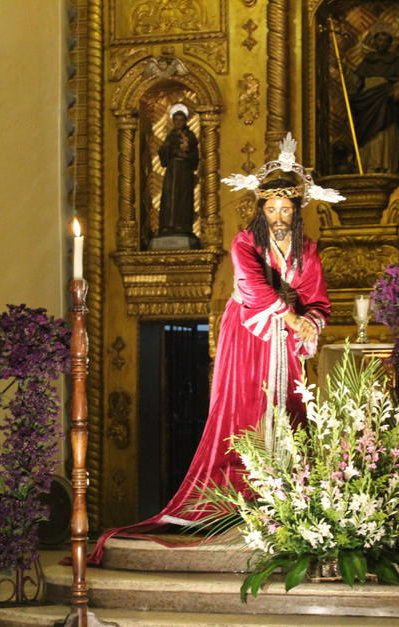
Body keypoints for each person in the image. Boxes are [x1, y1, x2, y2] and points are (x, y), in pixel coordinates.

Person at [88, 137, 339, 565]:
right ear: (260, 210)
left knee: (292, 408)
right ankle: (239, 499)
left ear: (297, 212)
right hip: (249, 334)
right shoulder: (245, 242)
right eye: (271, 209)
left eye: (286, 210)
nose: (278, 217)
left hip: (287, 344)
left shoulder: (308, 250)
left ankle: (286, 499)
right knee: (247, 405)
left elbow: (316, 298)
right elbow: (251, 287)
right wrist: (289, 314)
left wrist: (308, 321)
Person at [348, 28, 399, 174]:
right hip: (367, 104)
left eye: (385, 41)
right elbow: (357, 82)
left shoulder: (395, 62)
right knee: (368, 136)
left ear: (390, 44)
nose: (382, 43)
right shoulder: (368, 61)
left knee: (385, 134)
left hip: (387, 106)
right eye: (379, 40)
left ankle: (385, 165)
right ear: (374, 42)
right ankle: (368, 164)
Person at [157, 103, 199, 237]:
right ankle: (168, 225)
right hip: (172, 171)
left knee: (183, 197)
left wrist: (185, 155)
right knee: (170, 197)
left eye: (181, 120)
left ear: (186, 121)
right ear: (173, 121)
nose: (179, 123)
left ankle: (183, 225)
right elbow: (164, 156)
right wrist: (166, 150)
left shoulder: (190, 136)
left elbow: (195, 157)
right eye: (176, 120)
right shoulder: (170, 136)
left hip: (184, 171)